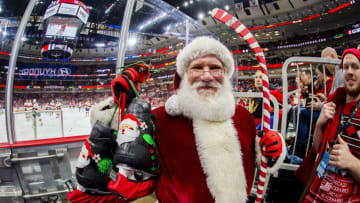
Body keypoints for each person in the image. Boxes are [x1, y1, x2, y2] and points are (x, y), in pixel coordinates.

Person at [67, 36, 285, 202]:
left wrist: (269, 150)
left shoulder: (242, 116)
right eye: (197, 68)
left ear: (225, 75)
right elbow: (121, 147)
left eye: (215, 68)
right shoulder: (160, 118)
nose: (207, 75)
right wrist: (123, 105)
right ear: (182, 77)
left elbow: (259, 159)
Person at [295, 48, 360, 202]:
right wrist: (319, 124)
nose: (349, 72)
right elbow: (317, 149)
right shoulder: (334, 103)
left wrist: (351, 162)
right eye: (346, 67)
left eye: (356, 67)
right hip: (317, 193)